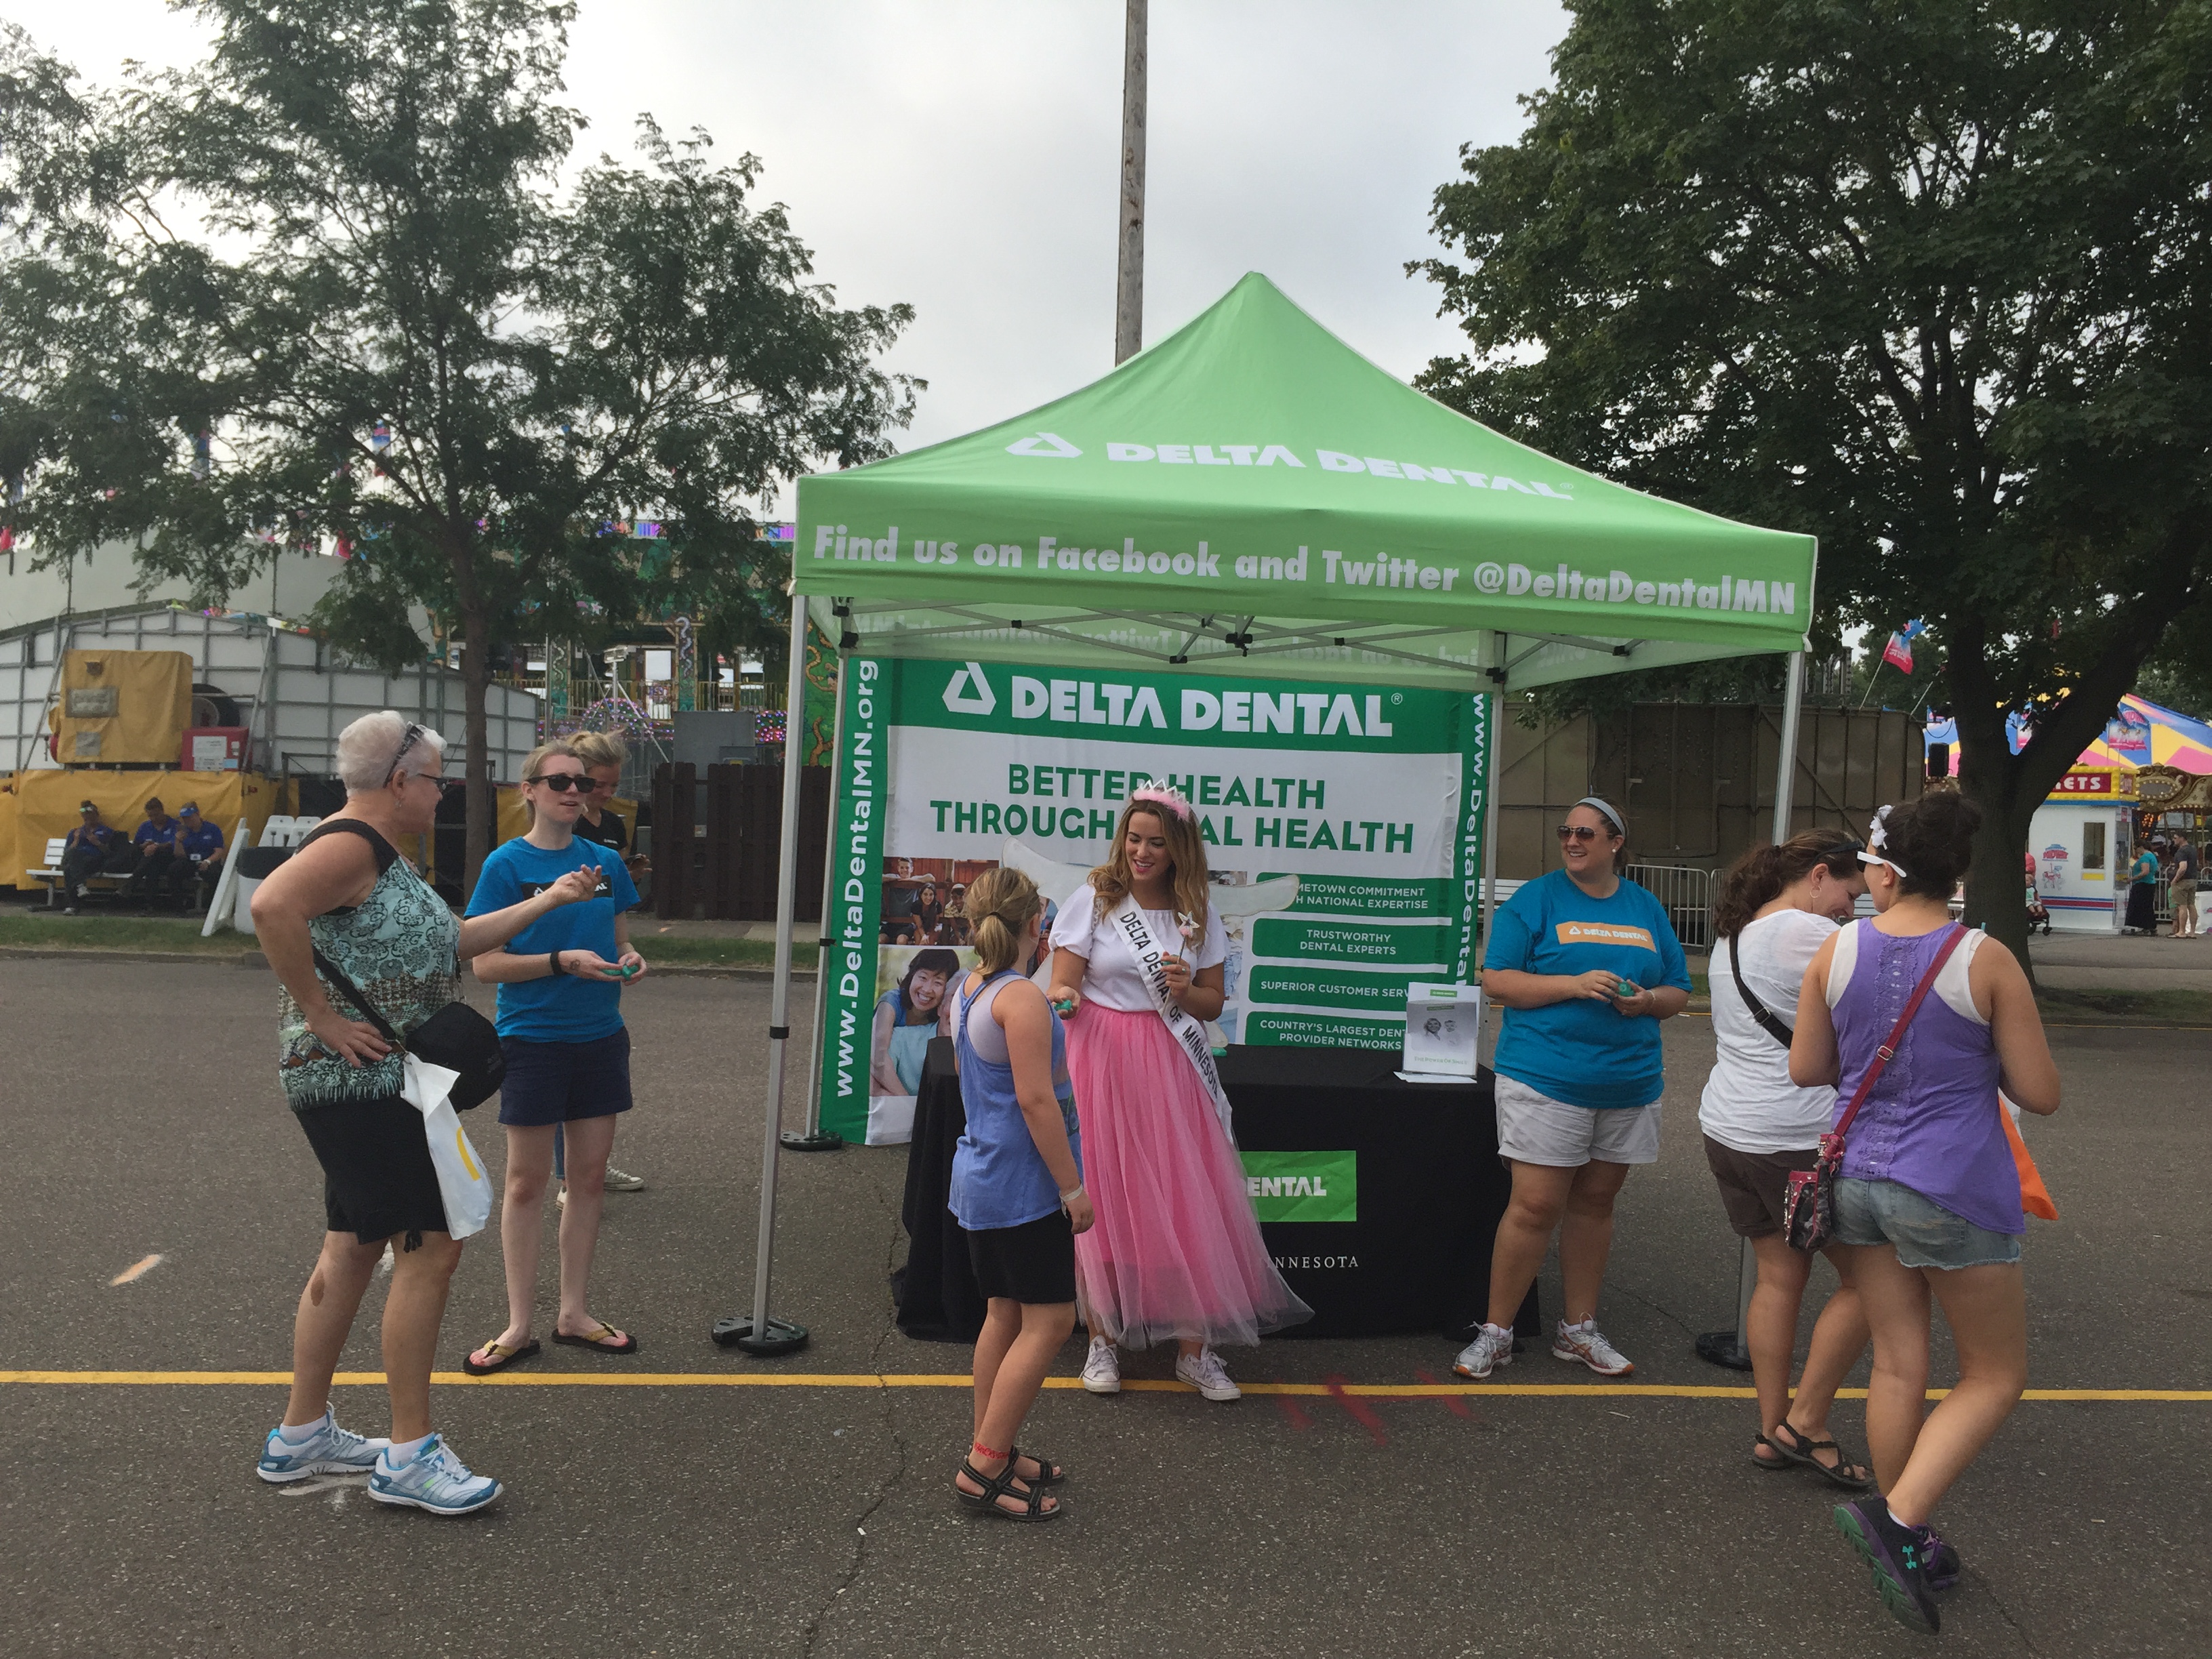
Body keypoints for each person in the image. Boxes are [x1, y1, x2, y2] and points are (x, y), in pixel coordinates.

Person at [251, 710, 600, 1515]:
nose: (443, 792)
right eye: (438, 778)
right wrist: (322, 1015)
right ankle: (409, 1453)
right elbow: (272, 907)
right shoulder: (351, 845)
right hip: (364, 1080)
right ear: (400, 781)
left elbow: (460, 944)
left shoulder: (386, 859)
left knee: (351, 1249)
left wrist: (550, 899)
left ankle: (300, 1436)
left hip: (365, 1082)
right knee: (430, 1250)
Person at [1790, 795, 2061, 1636]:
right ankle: (1898, 1521)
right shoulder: (1984, 958)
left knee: (1901, 1363)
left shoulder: (1835, 949)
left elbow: (1808, 1068)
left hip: (1857, 1183)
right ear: (1956, 873)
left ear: (1881, 869)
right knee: (1992, 1374)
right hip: (1949, 1186)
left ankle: (1903, 1521)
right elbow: (2040, 1094)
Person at [1048, 785, 1310, 1401]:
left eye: (1156, 843)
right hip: (1102, 1057)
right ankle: (1102, 1341)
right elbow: (1063, 981)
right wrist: (1063, 1001)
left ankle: (1195, 1350)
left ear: (1178, 849)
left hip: (1170, 1062)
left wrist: (1185, 986)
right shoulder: (1095, 899)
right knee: (1106, 1199)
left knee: (1184, 1197)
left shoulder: (1198, 911)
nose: (1141, 851)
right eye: (1134, 838)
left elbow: (1212, 1004)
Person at [1456, 796, 1692, 1381]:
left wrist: (1647, 1001)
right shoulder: (1535, 900)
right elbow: (1498, 981)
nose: (1572, 841)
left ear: (1616, 843)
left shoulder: (1644, 906)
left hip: (1629, 1080)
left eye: (1586, 833)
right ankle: (1497, 1332)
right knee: (1535, 1204)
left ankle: (1578, 1330)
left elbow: (1679, 991)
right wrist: (1572, 984)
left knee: (1595, 1203)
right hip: (1545, 1076)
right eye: (1566, 832)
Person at [463, 739, 648, 1375]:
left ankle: (573, 1313)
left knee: (589, 1180)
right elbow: (484, 964)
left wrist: (630, 961)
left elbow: (620, 940)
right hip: (532, 1039)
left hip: (599, 1037)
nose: (574, 790)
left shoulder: (604, 863)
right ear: (531, 791)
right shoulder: (506, 865)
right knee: (525, 1183)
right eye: (559, 781)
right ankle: (518, 1323)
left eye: (582, 782)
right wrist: (558, 961)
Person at [1702, 830, 1875, 1488]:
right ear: (1819, 876)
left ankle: (1774, 1430)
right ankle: (1808, 1424)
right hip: (1793, 1138)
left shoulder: (1735, 936)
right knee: (1875, 1281)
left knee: (1780, 1278)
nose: (1849, 912)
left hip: (1729, 1129)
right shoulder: (1803, 933)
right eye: (1848, 897)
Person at [948, 867, 1092, 1521]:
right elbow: (1036, 1100)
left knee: (1004, 1313)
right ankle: (983, 1465)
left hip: (983, 1177)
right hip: (1022, 1183)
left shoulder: (972, 987)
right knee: (1051, 1320)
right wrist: (1073, 1186)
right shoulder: (1022, 1000)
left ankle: (992, 1443)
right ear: (1038, 921)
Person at [555, 729, 647, 1201]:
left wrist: (624, 946)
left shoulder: (610, 826)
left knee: (594, 1080)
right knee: (558, 1075)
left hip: (600, 963)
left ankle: (592, 1165)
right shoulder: (558, 823)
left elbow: (612, 893)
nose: (607, 793)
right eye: (598, 784)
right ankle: (570, 1177)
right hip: (560, 959)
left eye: (613, 785)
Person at [871, 947, 960, 1097]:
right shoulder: (891, 1002)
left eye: (938, 983)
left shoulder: (940, 1017)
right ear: (912, 976)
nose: (927, 989)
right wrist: (906, 1101)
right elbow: (877, 1058)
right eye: (923, 978)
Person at [58, 800, 119, 913]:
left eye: (90, 815)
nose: (87, 818)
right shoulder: (75, 832)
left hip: (95, 861)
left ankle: (74, 903)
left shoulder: (106, 831)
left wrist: (97, 843)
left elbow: (112, 853)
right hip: (78, 864)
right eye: (85, 816)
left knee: (70, 866)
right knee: (69, 866)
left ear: (97, 815)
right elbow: (66, 854)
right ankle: (76, 896)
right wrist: (76, 841)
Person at [122, 798, 181, 900]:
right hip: (149, 860)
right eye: (150, 816)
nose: (153, 818)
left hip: (167, 858)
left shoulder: (175, 825)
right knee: (152, 867)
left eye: (156, 815)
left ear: (162, 811)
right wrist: (144, 846)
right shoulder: (145, 826)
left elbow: (172, 843)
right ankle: (150, 903)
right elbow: (136, 845)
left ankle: (131, 885)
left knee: (153, 857)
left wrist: (156, 846)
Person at [171, 802, 226, 908]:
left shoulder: (212, 829)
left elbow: (219, 851)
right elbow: (179, 855)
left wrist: (208, 861)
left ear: (197, 814)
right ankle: (179, 905)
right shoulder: (183, 831)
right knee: (174, 869)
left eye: (189, 817)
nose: (187, 821)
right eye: (184, 818)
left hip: (208, 860)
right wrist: (178, 841)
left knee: (215, 873)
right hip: (189, 860)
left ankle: (210, 905)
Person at [2124, 839, 2160, 934]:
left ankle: (2141, 926)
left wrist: (2132, 878)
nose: (2135, 851)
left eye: (2136, 848)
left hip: (2142, 884)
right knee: (2147, 906)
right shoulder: (2152, 856)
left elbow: (2145, 871)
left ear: (2141, 847)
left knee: (2139, 906)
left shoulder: (2145, 858)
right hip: (2150, 883)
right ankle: (2149, 927)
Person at [2167, 836, 2198, 938]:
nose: (2174, 840)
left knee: (2182, 906)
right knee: (2191, 905)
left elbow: (2183, 867)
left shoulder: (2181, 852)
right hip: (2193, 879)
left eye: (2176, 837)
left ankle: (2182, 931)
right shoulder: (2193, 850)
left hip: (2182, 881)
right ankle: (2192, 932)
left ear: (2182, 838)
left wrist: (2175, 880)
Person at [913, 877, 945, 944]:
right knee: (919, 937)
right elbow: (919, 926)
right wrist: (924, 936)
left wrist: (930, 934)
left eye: (931, 895)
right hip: (920, 928)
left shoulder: (938, 905)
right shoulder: (916, 905)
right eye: (925, 894)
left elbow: (935, 923)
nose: (928, 898)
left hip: (934, 927)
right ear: (921, 895)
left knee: (931, 938)